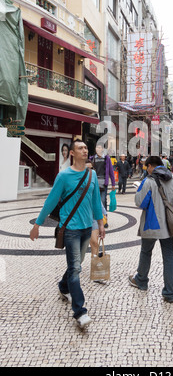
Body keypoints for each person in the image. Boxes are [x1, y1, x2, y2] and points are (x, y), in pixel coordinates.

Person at [30, 139, 104, 328]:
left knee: (77, 263)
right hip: (70, 229)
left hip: (88, 227)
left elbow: (96, 201)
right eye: (80, 148)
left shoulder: (92, 175)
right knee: (75, 269)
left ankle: (63, 287)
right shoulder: (63, 176)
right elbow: (51, 201)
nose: (84, 150)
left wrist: (101, 224)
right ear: (72, 153)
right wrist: (37, 224)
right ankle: (80, 311)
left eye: (86, 147)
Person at [129, 156, 173, 303]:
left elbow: (140, 203)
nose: (146, 169)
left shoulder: (148, 181)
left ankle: (141, 280)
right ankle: (169, 292)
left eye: (146, 167)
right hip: (169, 226)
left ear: (151, 166)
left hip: (152, 224)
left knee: (146, 252)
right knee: (169, 257)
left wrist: (140, 189)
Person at [92, 141, 115, 227]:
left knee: (102, 201)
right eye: (97, 147)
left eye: (100, 147)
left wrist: (113, 184)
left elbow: (111, 172)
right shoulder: (92, 158)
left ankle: (104, 220)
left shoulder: (107, 158)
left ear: (102, 149)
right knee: (93, 201)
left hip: (103, 183)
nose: (98, 149)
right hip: (93, 183)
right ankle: (95, 219)